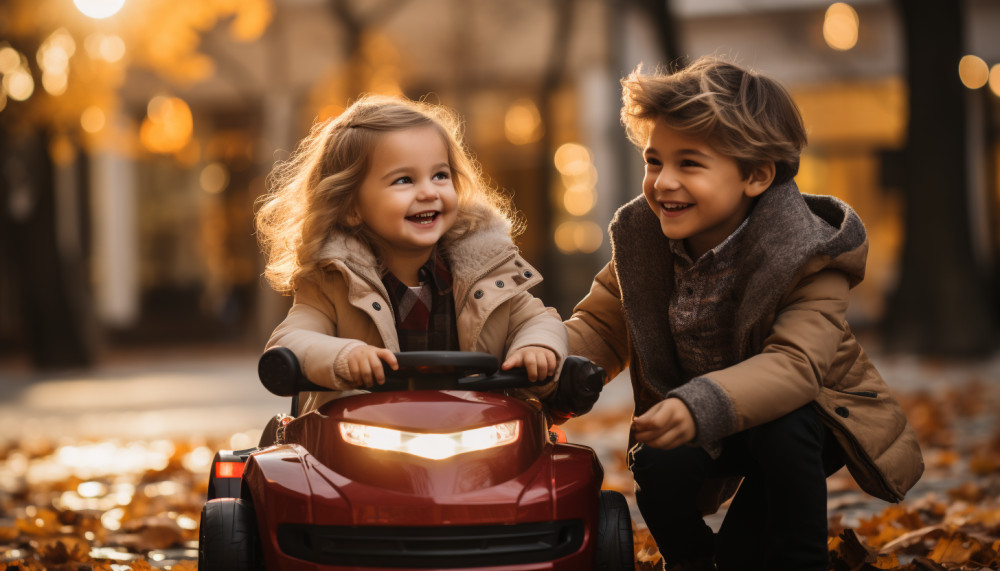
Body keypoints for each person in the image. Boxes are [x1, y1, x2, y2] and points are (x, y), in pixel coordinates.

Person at [564, 56, 924, 571]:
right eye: (654, 161)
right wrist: (546, 355)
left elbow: (795, 366)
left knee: (784, 440)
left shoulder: (807, 254)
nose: (663, 182)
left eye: (689, 164)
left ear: (755, 176)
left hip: (802, 419)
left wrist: (699, 404)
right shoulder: (645, 244)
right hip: (700, 415)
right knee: (657, 460)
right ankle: (691, 560)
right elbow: (601, 325)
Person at [256, 94, 567, 415]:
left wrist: (536, 345)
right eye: (404, 180)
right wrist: (343, 355)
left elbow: (538, 319)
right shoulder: (334, 282)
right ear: (351, 207)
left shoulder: (486, 272)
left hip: (475, 425)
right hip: (366, 432)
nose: (429, 192)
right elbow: (290, 340)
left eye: (440, 175)